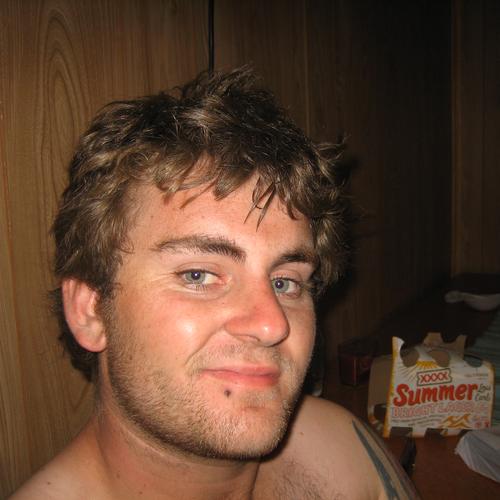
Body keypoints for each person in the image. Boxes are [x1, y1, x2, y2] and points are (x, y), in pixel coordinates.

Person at [12, 68, 417, 499]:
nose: (272, 324)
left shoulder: (343, 450)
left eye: (285, 283)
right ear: (90, 312)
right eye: (198, 275)